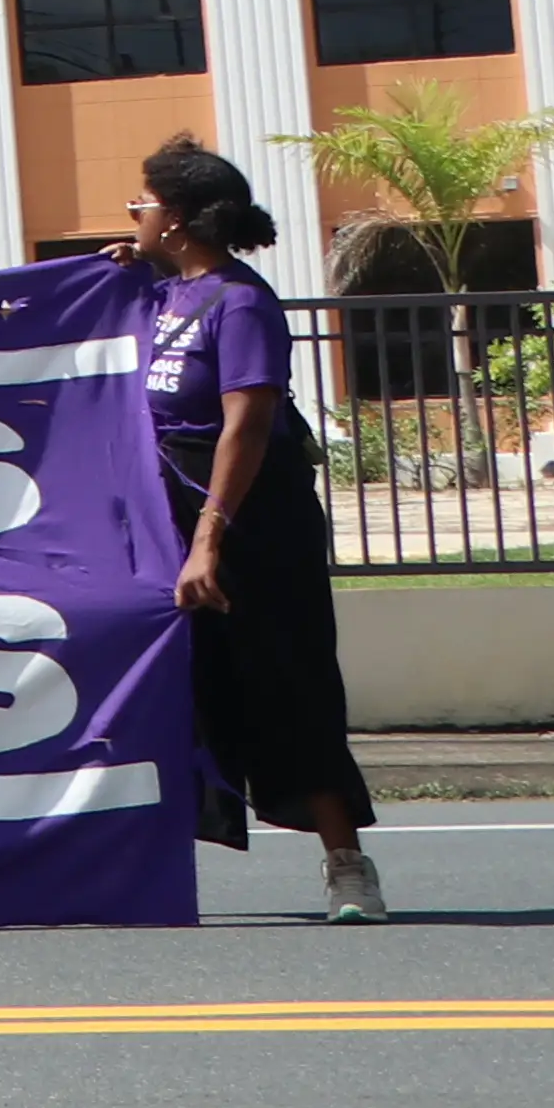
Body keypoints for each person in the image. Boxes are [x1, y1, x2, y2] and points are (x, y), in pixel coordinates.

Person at [130, 137, 385, 922]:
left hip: (254, 524)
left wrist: (211, 537)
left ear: (173, 219)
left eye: (139, 205)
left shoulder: (240, 302)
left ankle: (348, 866)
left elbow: (247, 422)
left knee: (288, 687)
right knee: (173, 692)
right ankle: (145, 869)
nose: (131, 216)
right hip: (173, 515)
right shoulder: (163, 293)